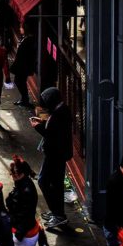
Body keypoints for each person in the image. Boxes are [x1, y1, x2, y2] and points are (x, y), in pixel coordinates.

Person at [30, 86, 73, 230]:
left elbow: (52, 135)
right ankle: (56, 212)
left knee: (44, 182)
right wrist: (42, 123)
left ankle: (58, 214)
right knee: (55, 184)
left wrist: (37, 127)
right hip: (56, 154)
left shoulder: (59, 115)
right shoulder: (60, 111)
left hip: (55, 155)